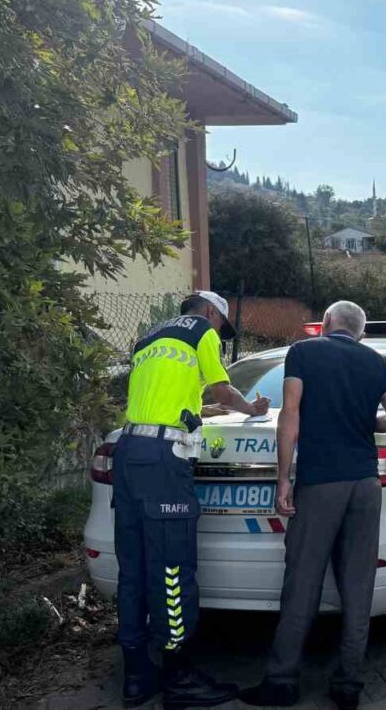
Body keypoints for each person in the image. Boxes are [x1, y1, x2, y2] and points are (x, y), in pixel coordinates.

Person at [240, 301, 386, 710]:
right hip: (365, 484)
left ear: (327, 324)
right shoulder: (378, 362)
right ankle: (348, 685)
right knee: (358, 586)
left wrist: (284, 478)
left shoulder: (303, 352)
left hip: (320, 483)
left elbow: (290, 415)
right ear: (361, 332)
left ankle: (282, 681)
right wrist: (367, 423)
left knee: (303, 582)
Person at [114, 290, 270, 709]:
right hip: (164, 462)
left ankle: (136, 677)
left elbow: (170, 399)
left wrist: (203, 412)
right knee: (172, 569)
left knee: (133, 569)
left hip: (128, 453)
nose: (220, 329)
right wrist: (251, 409)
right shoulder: (201, 331)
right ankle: (179, 677)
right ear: (209, 312)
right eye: (221, 322)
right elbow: (222, 390)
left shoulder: (149, 338)